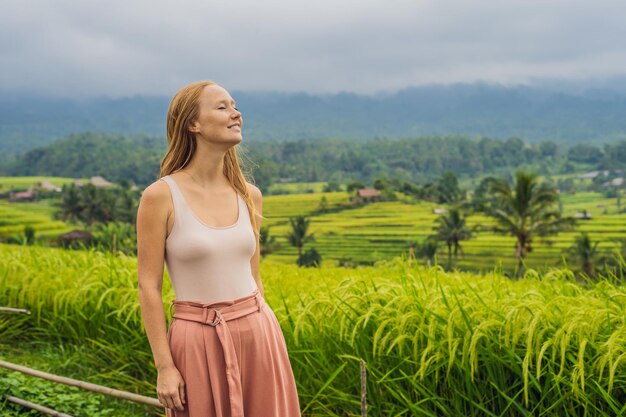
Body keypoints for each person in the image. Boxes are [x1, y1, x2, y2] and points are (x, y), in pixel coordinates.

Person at [136, 80, 302, 416]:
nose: (236, 113)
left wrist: (263, 330)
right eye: (222, 107)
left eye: (235, 105)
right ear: (193, 124)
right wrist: (165, 367)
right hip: (196, 341)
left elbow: (255, 277)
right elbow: (148, 287)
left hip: (258, 333)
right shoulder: (160, 196)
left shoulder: (248, 195)